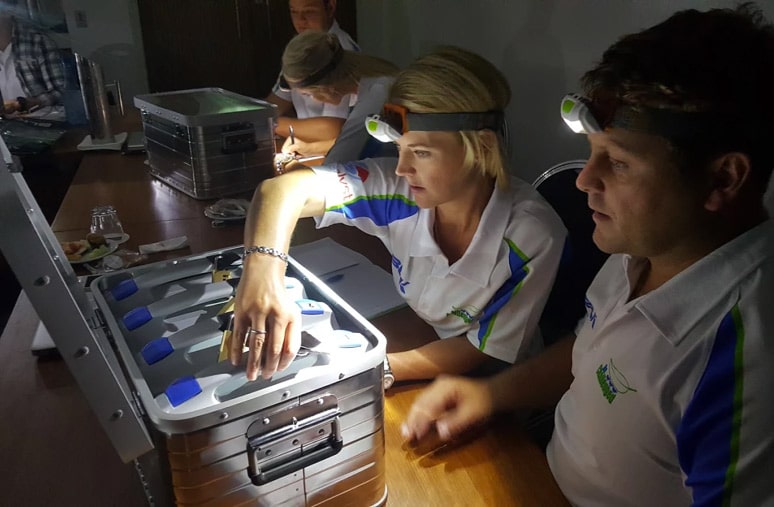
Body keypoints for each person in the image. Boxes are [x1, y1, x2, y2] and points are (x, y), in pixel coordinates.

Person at [402, 4, 774, 506]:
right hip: (543, 470)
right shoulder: (642, 251)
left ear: (723, 179)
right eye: (594, 152)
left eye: (617, 163)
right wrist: (490, 395)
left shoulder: (744, 360)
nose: (583, 180)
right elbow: (592, 352)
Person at [231, 46, 567, 385]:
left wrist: (372, 370)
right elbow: (281, 191)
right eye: (399, 148)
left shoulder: (530, 235)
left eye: (421, 152)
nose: (402, 169)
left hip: (493, 385)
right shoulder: (399, 191)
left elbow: (480, 350)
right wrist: (262, 273)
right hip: (423, 337)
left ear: (482, 147)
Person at [277, 30, 398, 163]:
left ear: (326, 87)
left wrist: (292, 168)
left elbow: (341, 157)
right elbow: (354, 142)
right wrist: (310, 149)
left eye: (308, 94)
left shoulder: (377, 93)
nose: (313, 99)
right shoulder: (370, 80)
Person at [265, 0, 359, 156]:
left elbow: (333, 129)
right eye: (294, 12)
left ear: (330, 8)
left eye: (309, 12)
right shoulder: (301, 49)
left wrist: (270, 123)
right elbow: (277, 101)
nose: (300, 20)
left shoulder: (339, 54)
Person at [0, 0, 64, 115]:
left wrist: (25, 103)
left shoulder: (38, 42)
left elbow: (61, 91)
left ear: (8, 10)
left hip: (42, 119)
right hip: (6, 123)